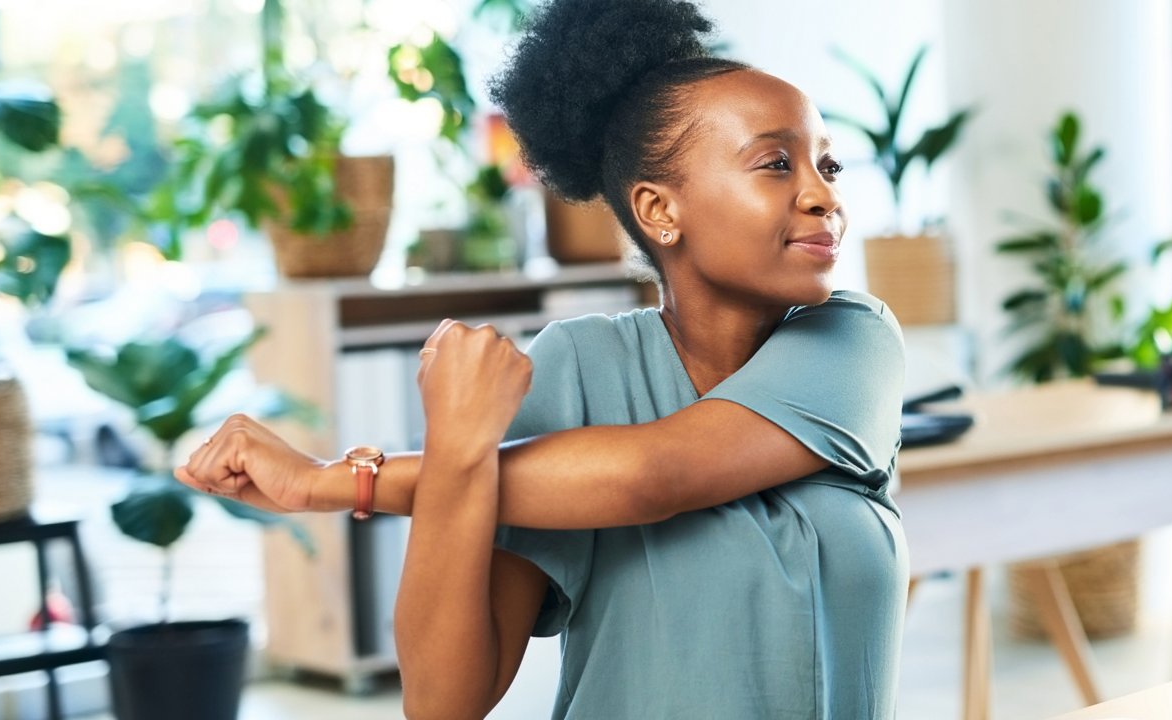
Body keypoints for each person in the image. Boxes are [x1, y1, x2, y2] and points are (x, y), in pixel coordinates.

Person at [176, 0, 909, 717]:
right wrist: (456, 449)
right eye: (777, 164)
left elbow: (652, 475)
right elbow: (442, 703)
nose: (823, 196)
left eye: (829, 166)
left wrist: (333, 484)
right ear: (659, 210)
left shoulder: (851, 341)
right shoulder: (579, 369)